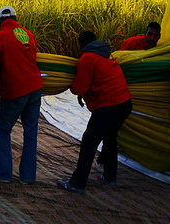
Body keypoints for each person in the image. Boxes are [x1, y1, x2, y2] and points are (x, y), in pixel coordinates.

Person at [56, 31, 132, 194]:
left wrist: (71, 85)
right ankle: (110, 177)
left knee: (89, 143)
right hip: (124, 103)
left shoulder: (87, 58)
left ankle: (77, 183)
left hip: (108, 107)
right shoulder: (107, 54)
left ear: (81, 44)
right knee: (110, 139)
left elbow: (80, 88)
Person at [0, 6, 43, 184]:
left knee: (3, 130)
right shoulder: (28, 35)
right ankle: (28, 177)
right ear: (16, 19)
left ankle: (4, 174)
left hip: (14, 90)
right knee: (31, 132)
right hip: (35, 87)